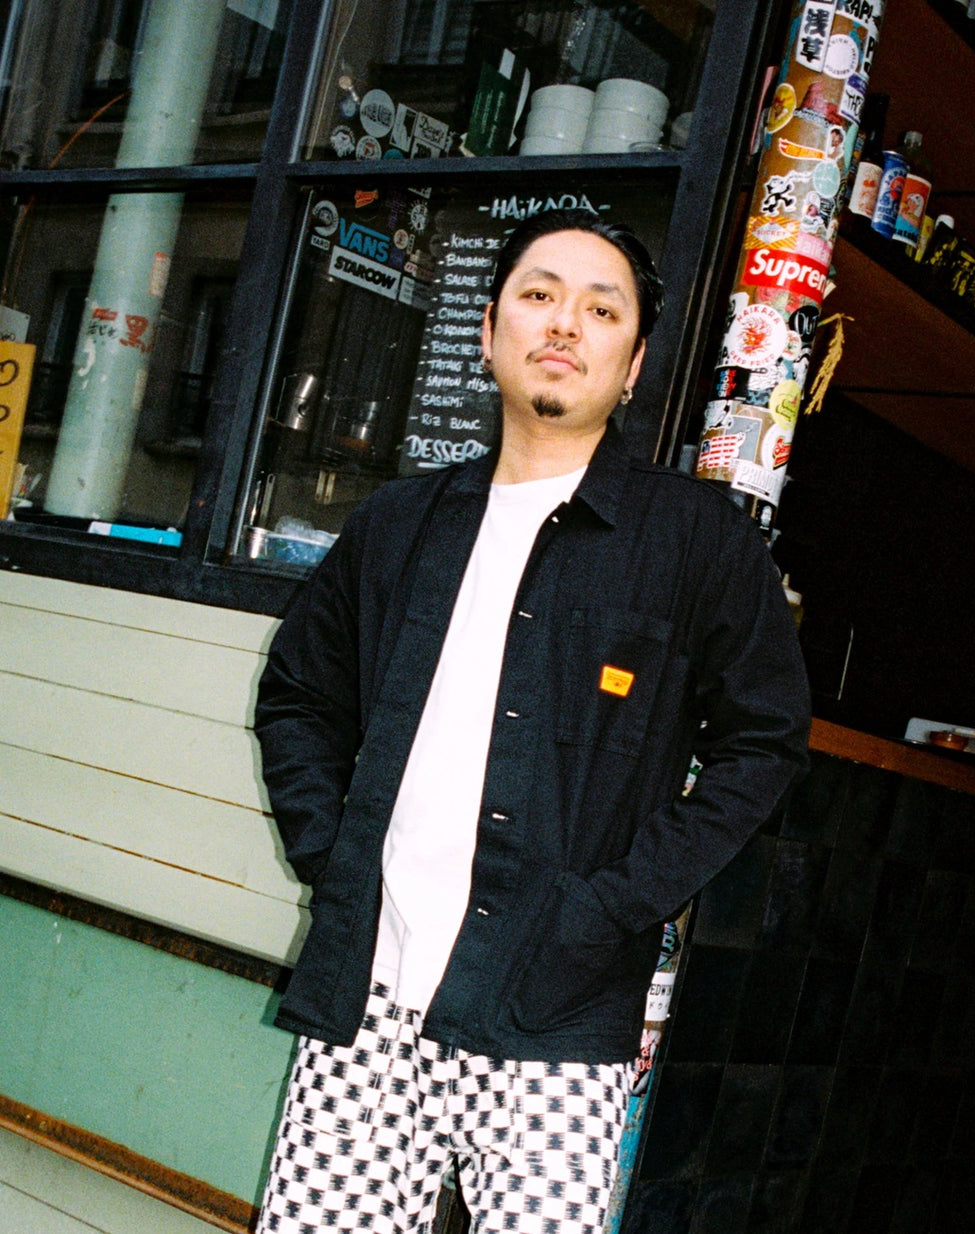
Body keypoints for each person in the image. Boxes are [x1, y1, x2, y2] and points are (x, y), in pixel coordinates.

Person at [253, 207, 811, 1234]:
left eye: (602, 309)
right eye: (540, 295)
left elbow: (764, 742)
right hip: (365, 997)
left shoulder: (696, 542)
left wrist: (613, 906)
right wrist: (332, 854)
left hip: (557, 1010)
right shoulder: (398, 524)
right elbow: (298, 695)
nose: (564, 323)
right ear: (488, 332)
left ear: (633, 366)